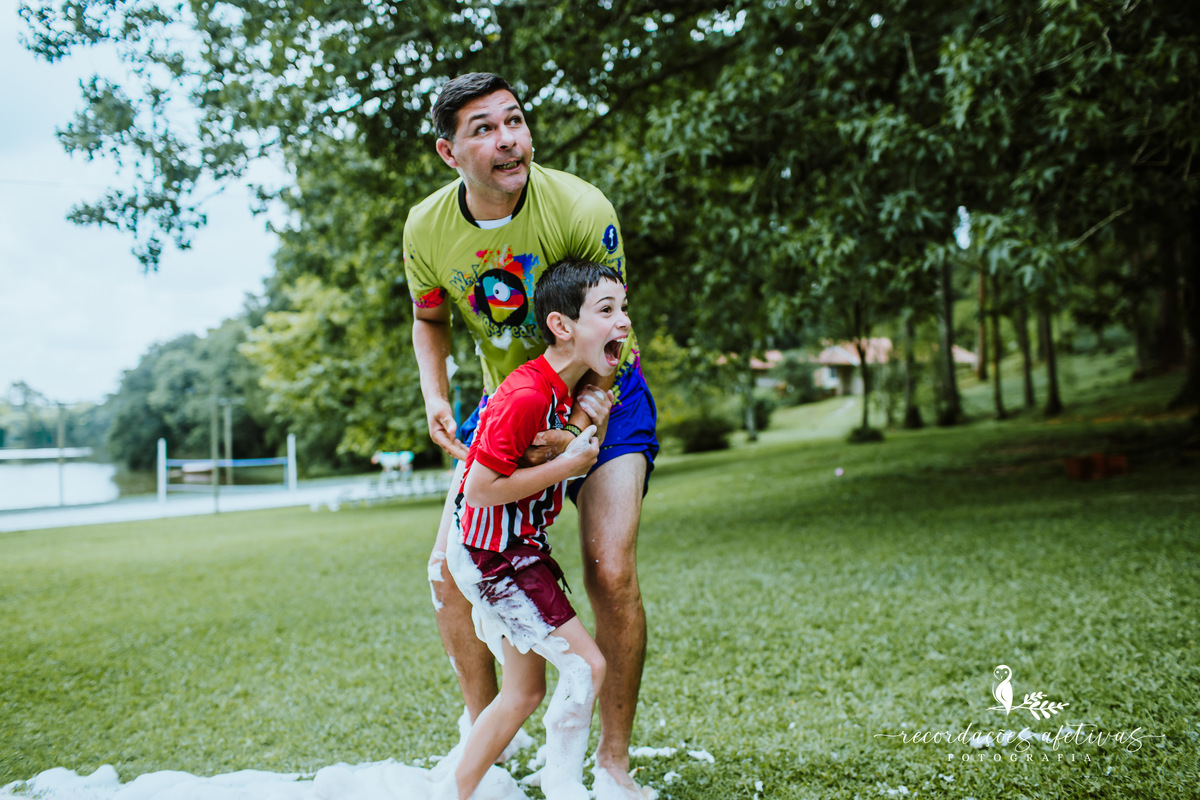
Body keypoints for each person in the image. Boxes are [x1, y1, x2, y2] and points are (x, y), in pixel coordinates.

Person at [404, 72, 659, 800]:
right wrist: (436, 396)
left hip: (605, 394)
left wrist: (578, 427)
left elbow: (613, 330)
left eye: (513, 120)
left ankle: (612, 764)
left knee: (609, 570)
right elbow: (429, 319)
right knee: (451, 572)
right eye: (482, 128)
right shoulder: (426, 227)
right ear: (450, 154)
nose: (507, 138)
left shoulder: (579, 206)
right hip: (509, 406)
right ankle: (486, 740)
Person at [436, 258, 626, 800]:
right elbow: (479, 488)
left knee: (522, 692)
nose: (623, 322)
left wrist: (591, 419)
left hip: (510, 549)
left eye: (624, 309)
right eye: (606, 310)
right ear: (561, 326)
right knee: (587, 668)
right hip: (494, 553)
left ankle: (453, 793)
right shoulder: (527, 395)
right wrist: (569, 466)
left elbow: (555, 445)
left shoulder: (560, 391)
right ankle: (567, 790)